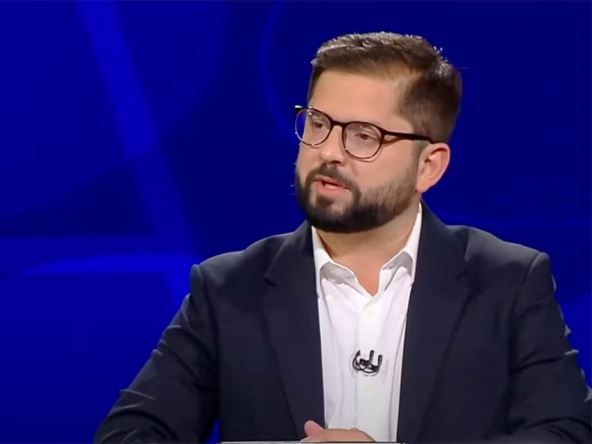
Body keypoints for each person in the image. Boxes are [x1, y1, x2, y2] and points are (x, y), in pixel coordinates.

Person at [95, 32, 591, 443]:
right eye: (318, 124)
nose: (328, 151)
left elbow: (566, 432)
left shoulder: (507, 282)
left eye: (364, 135)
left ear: (429, 166)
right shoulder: (229, 288)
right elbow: (130, 433)